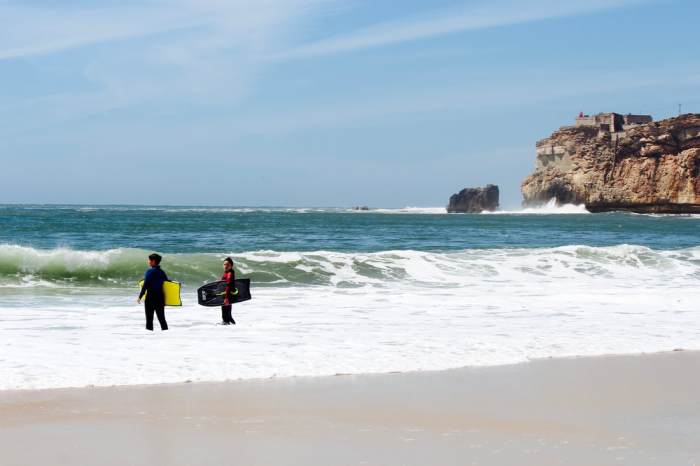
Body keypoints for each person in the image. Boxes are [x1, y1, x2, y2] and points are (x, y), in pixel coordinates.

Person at [137, 253, 169, 331]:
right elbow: (167, 283)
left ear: (153, 261)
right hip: (160, 297)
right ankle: (167, 336)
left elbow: (145, 285)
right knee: (162, 319)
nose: (148, 261)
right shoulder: (162, 272)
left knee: (149, 320)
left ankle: (149, 339)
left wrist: (140, 296)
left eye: (149, 260)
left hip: (151, 298)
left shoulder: (150, 271)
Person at [221, 257, 236, 325]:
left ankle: (225, 323)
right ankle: (229, 322)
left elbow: (228, 284)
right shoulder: (227, 272)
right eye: (224, 264)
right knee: (228, 309)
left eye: (227, 264)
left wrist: (226, 297)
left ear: (231, 265)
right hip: (228, 293)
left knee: (225, 309)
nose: (225, 266)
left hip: (227, 293)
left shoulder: (229, 273)